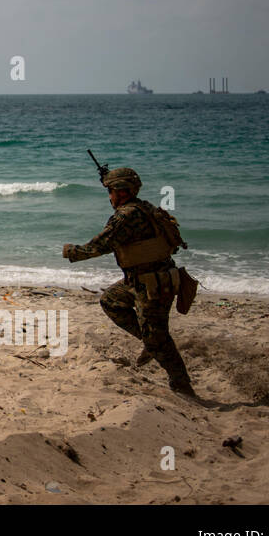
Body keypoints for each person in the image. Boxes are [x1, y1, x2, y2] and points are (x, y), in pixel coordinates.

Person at [63, 167, 196, 397]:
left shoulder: (126, 216)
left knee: (159, 339)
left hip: (153, 285)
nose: (109, 197)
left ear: (121, 192)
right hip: (141, 281)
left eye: (111, 191)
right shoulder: (144, 207)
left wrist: (71, 251)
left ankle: (183, 387)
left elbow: (102, 245)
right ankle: (149, 342)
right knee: (111, 301)